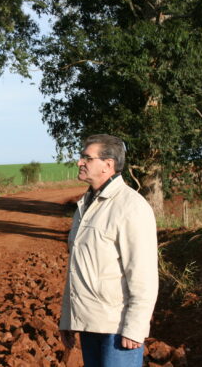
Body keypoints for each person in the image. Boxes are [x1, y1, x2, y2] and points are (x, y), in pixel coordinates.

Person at [59, 134, 158, 367]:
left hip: (117, 329)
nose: (79, 162)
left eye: (87, 158)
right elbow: (76, 269)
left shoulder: (131, 207)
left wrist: (135, 328)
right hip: (89, 324)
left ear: (108, 165)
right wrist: (67, 319)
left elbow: (143, 274)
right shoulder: (85, 206)